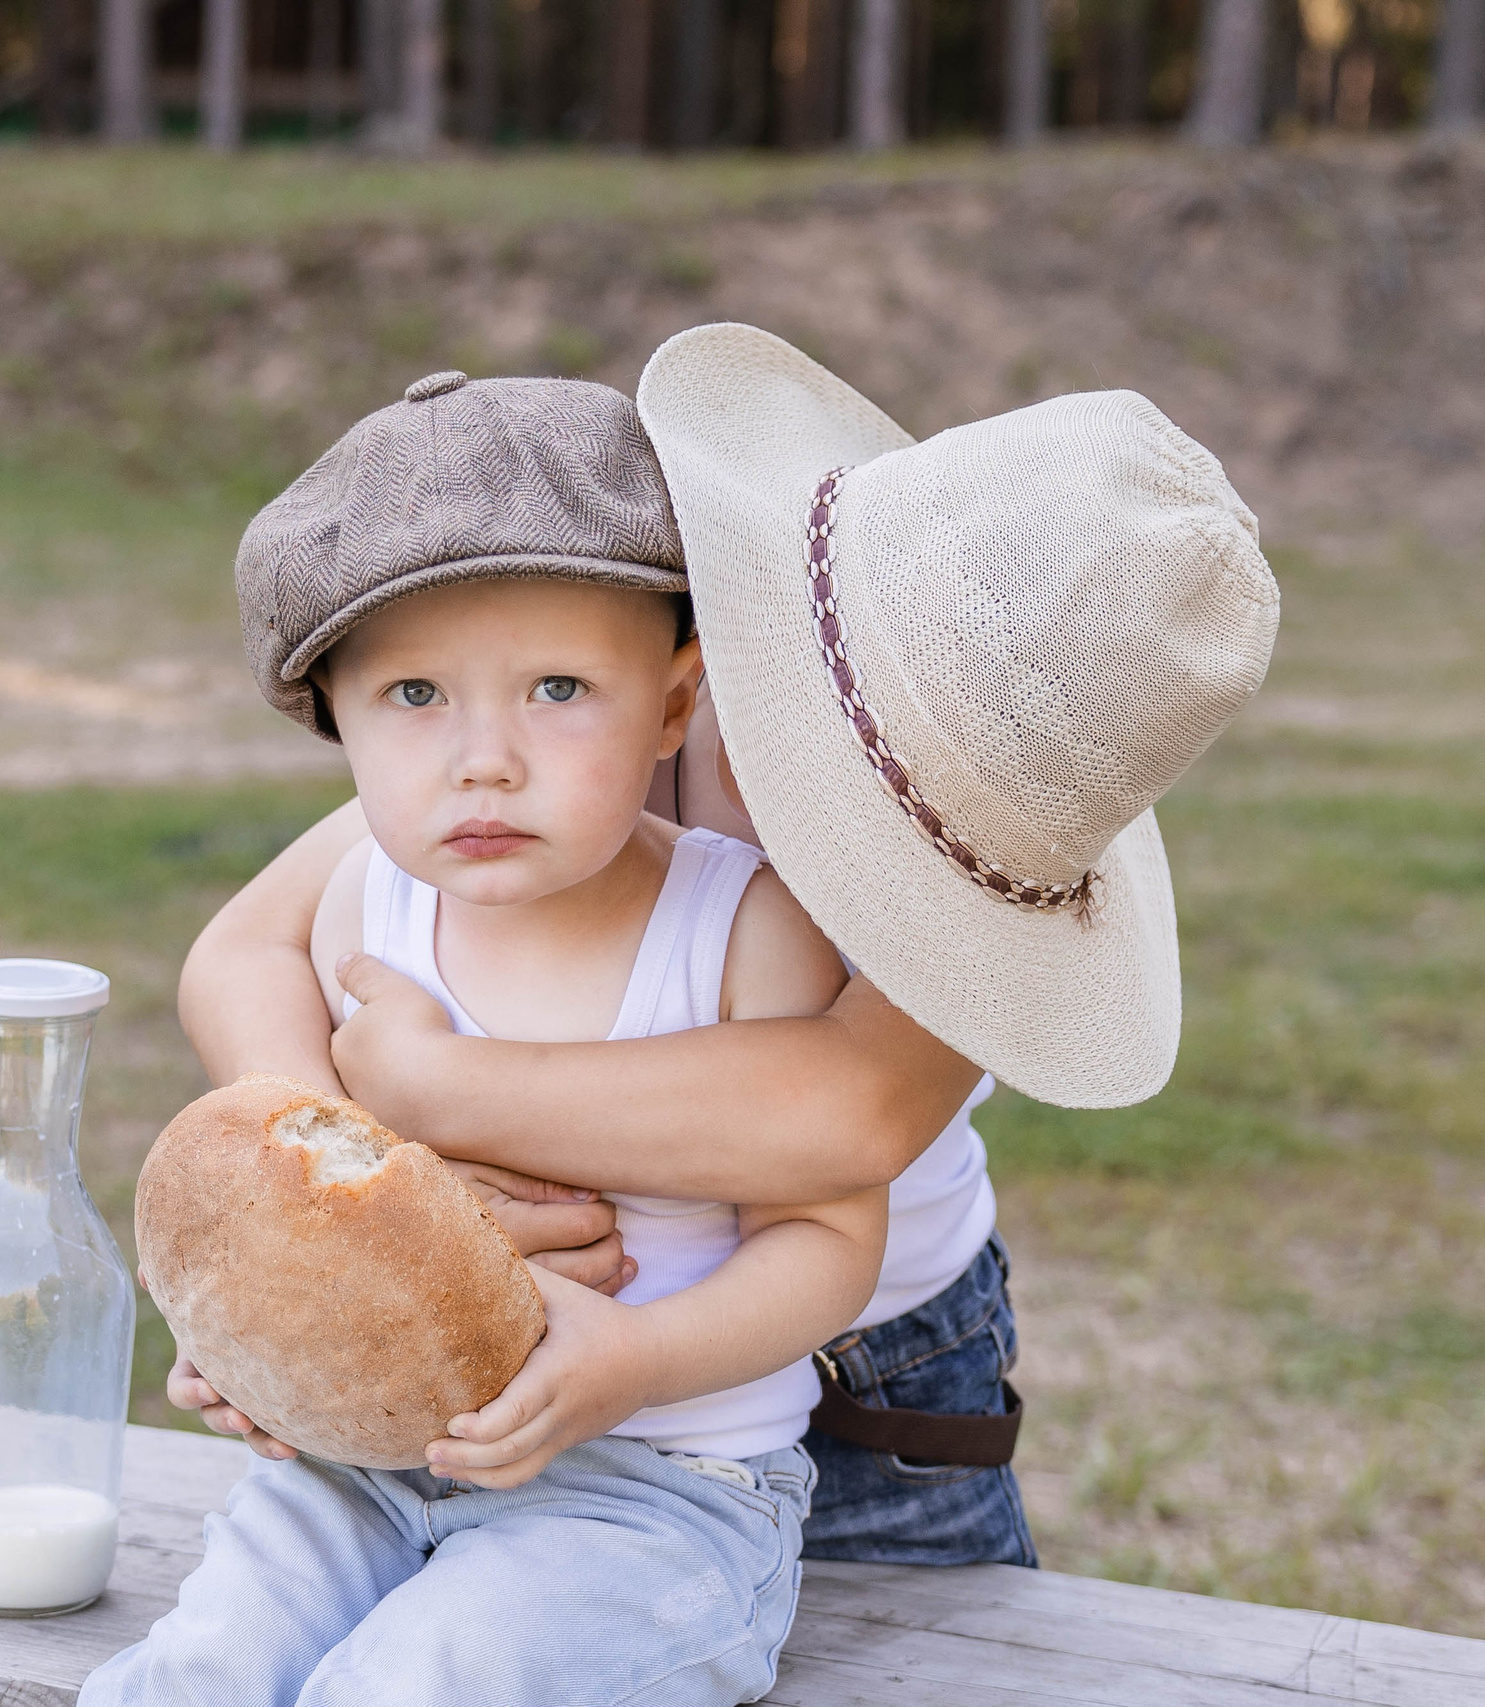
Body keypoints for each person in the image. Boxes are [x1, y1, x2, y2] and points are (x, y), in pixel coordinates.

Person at [167, 326, 1279, 1583]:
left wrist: (438, 1097)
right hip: (523, 1396)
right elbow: (247, 943)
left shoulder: (985, 848)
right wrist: (338, 1200)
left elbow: (846, 1117)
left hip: (876, 1372)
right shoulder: (573, 758)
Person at [85, 368, 889, 1707]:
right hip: (359, 1466)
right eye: (413, 695)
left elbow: (827, 1240)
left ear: (677, 703)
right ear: (334, 713)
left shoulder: (741, 925)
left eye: (560, 686)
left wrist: (636, 1357)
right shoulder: (366, 880)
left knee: (421, 1680)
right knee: (202, 1670)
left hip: (657, 1491)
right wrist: (284, 1284)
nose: (485, 759)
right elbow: (233, 956)